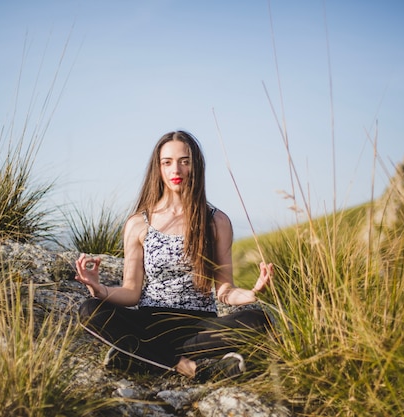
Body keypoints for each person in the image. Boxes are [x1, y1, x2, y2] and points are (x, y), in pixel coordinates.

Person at [75, 130, 273, 381]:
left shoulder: (216, 221)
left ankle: (140, 358)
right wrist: (99, 288)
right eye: (167, 162)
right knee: (90, 310)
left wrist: (252, 293)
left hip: (198, 327)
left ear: (196, 166)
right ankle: (188, 367)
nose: (175, 170)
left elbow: (224, 290)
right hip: (149, 323)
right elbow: (131, 291)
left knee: (258, 320)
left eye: (184, 161)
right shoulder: (138, 223)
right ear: (158, 168)